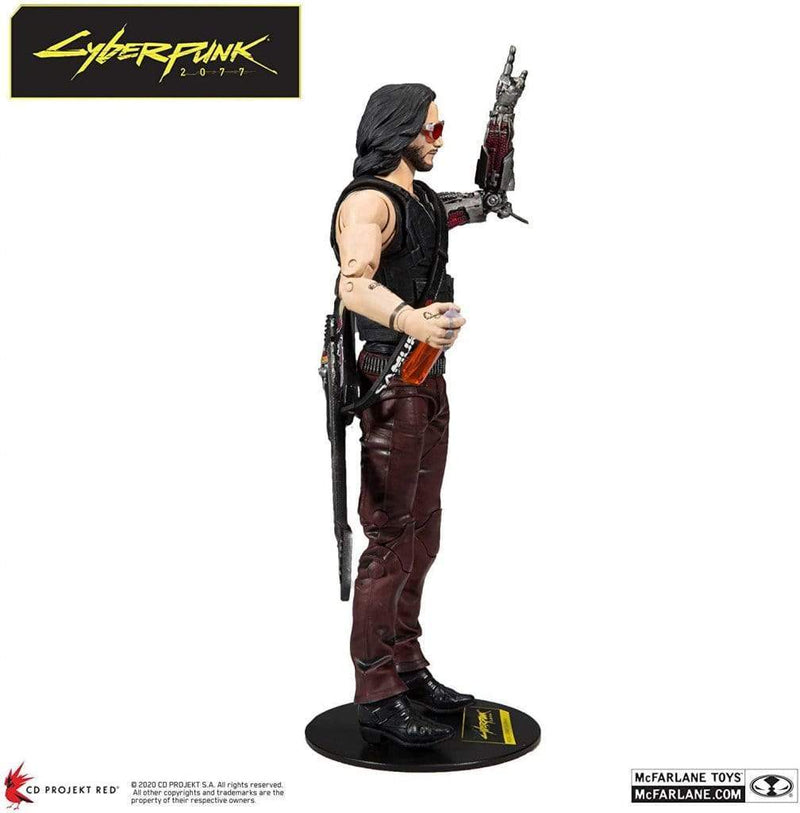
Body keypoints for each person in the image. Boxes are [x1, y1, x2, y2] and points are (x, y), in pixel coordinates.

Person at [330, 58, 526, 748]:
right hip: (390, 376)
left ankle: (407, 665)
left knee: (423, 529)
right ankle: (376, 690)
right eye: (430, 127)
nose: (438, 137)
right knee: (389, 536)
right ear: (399, 130)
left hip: (426, 376)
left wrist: (501, 120)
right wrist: (412, 319)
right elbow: (354, 285)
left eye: (442, 126)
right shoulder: (370, 204)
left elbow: (490, 199)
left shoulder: (423, 202)